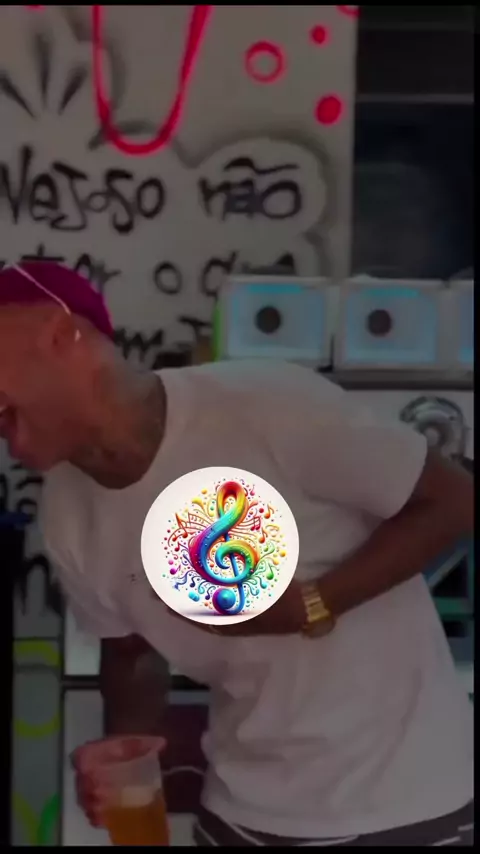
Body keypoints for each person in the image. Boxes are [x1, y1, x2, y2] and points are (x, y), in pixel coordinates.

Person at [0, 261, 473, 846]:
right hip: (240, 812)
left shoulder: (267, 404)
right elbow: (130, 649)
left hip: (405, 801)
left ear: (60, 335)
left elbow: (454, 502)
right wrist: (127, 739)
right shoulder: (64, 512)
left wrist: (313, 604)